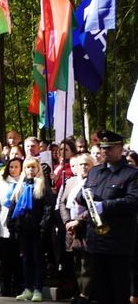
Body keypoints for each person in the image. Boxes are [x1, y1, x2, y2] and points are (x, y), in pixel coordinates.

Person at [75, 130, 138, 304]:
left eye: (110, 148)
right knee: (101, 291)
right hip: (96, 240)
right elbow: (84, 193)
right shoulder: (95, 172)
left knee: (118, 290)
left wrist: (105, 206)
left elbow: (133, 201)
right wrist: (82, 196)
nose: (105, 152)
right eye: (103, 148)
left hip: (118, 241)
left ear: (120, 149)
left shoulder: (132, 173)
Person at [7, 157, 54, 302]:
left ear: (37, 168)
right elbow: (14, 206)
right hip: (24, 229)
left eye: (33, 167)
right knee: (26, 259)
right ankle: (27, 288)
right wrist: (11, 224)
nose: (30, 170)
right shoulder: (20, 186)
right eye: (27, 167)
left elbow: (48, 207)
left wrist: (43, 226)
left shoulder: (43, 185)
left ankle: (38, 289)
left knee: (38, 259)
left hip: (38, 229)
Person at [59, 154, 93, 304]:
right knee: (75, 262)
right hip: (70, 229)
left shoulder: (95, 182)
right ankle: (78, 292)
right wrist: (67, 221)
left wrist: (78, 221)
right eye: (81, 164)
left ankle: (85, 294)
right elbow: (62, 202)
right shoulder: (71, 181)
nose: (83, 167)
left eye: (87, 164)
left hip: (87, 227)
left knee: (86, 263)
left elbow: (95, 205)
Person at [0, 158, 23, 297]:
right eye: (11, 167)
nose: (13, 169)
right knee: (6, 259)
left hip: (20, 224)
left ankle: (19, 286)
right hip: (4, 224)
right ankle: (6, 286)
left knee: (19, 259)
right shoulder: (0, 183)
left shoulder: (25, 182)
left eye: (16, 167)